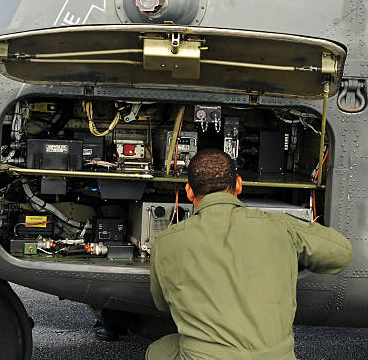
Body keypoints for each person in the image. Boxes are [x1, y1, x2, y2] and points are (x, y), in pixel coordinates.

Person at [146, 148, 353, 360]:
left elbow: (162, 303)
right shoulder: (281, 226)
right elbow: (342, 253)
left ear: (189, 192)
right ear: (238, 184)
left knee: (156, 351)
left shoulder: (166, 242)